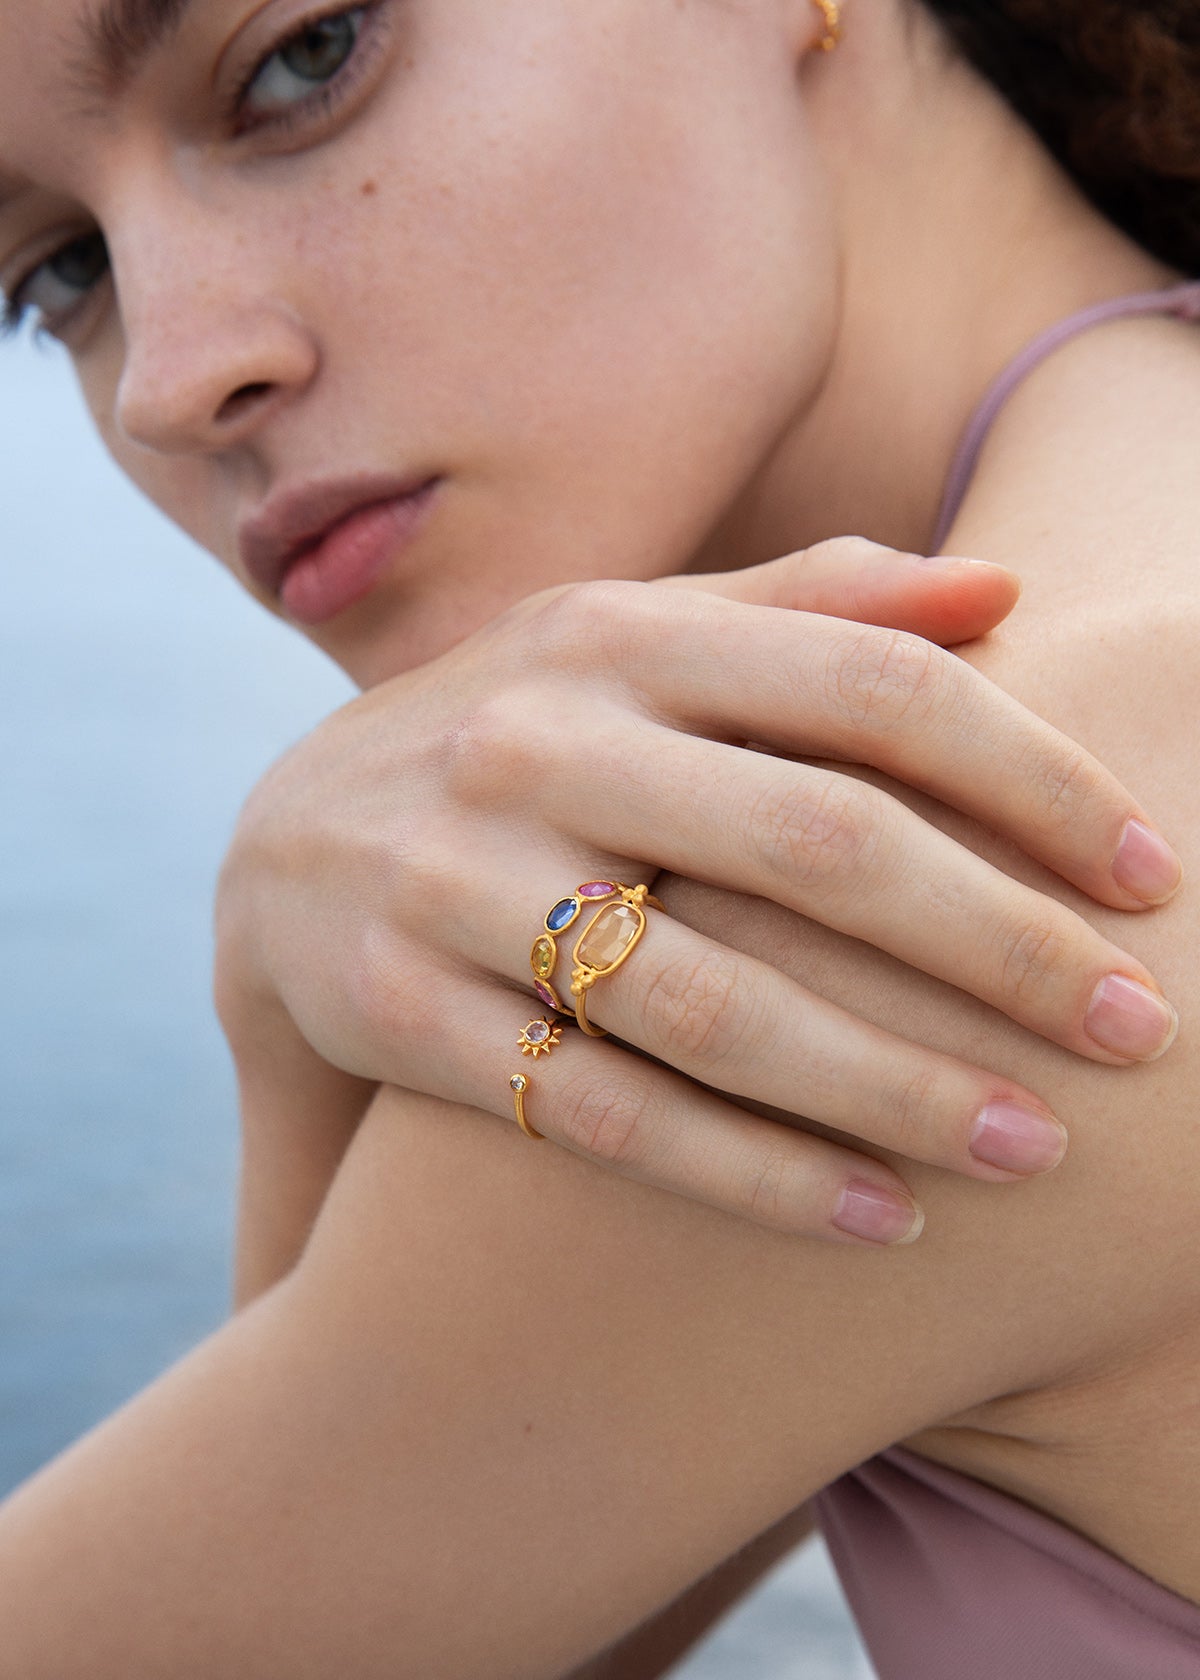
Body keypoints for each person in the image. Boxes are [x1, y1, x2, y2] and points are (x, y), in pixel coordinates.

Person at [0, 0, 1196, 1674]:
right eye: (59, 273)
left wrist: (275, 973)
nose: (177, 381)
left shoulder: (881, 888)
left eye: (302, 57)